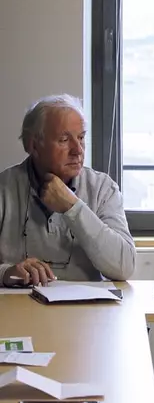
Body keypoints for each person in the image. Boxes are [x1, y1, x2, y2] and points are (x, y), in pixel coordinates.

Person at [0, 94, 135, 286]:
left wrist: (72, 207)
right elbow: (6, 275)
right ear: (34, 145)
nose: (78, 150)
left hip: (86, 312)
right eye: (64, 139)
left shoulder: (102, 188)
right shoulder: (4, 189)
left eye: (81, 137)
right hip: (20, 310)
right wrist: (7, 273)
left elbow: (124, 267)